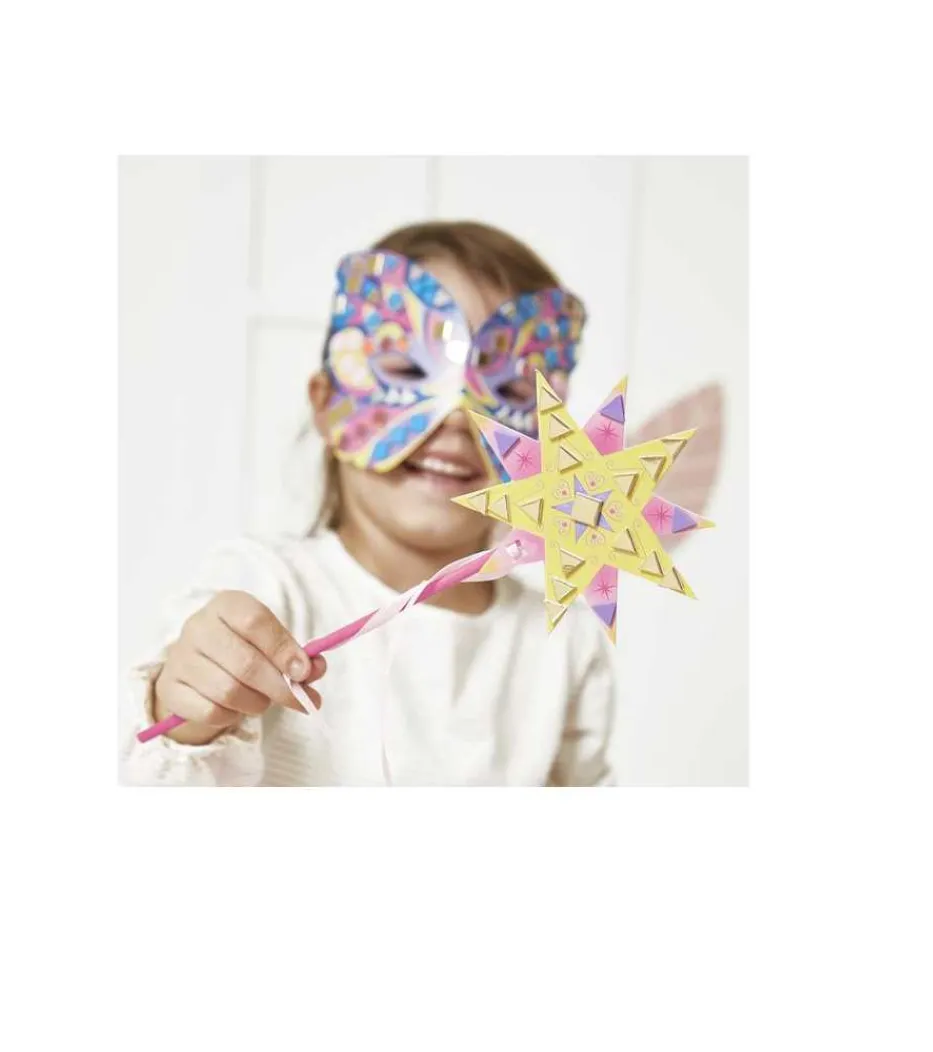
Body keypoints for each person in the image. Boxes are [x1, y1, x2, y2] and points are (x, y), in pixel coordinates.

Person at [121, 220, 616, 786]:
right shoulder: (265, 589)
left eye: (508, 390)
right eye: (408, 371)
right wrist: (188, 713)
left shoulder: (563, 643)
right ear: (326, 402)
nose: (459, 416)